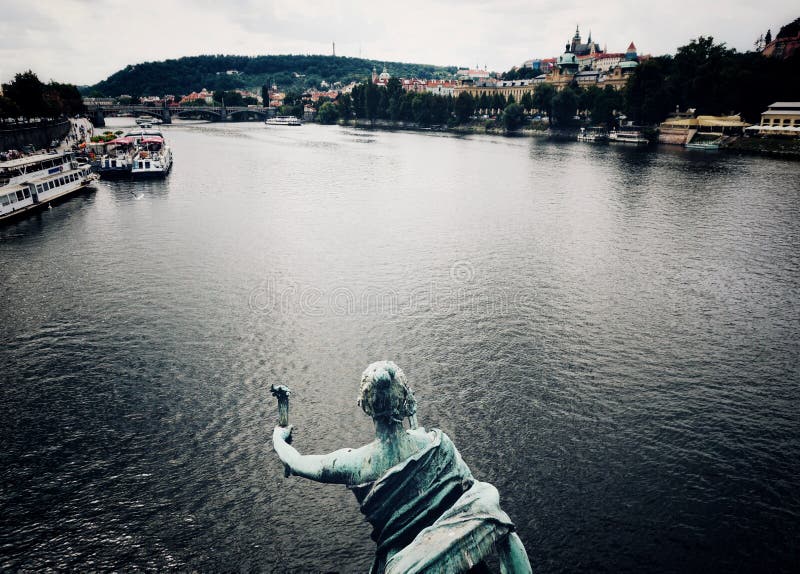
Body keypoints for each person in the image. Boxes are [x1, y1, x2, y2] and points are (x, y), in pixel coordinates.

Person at [273, 361, 532, 574]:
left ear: (364, 405)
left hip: (408, 565)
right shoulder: (438, 444)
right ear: (405, 399)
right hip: (463, 558)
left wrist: (278, 436)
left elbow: (297, 461)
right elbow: (469, 494)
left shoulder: (354, 464)